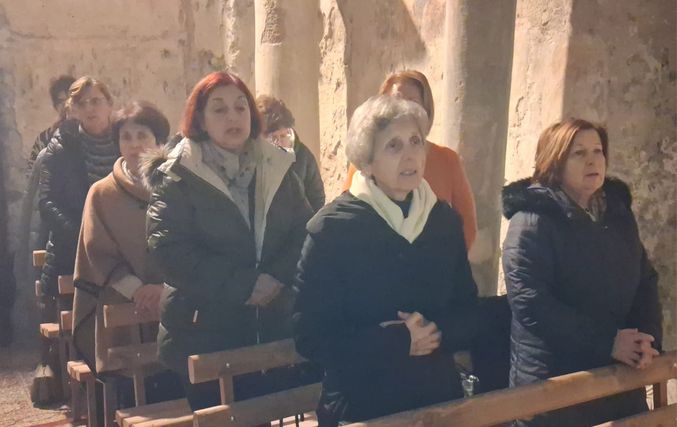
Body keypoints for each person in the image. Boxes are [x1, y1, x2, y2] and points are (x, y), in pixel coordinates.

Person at [294, 95, 478, 425]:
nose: (410, 155)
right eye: (393, 146)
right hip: (362, 403)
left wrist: (436, 332)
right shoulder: (332, 229)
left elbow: (466, 308)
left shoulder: (443, 221)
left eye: (416, 142)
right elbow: (311, 336)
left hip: (436, 399)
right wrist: (398, 341)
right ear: (366, 162)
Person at [144, 71, 313, 411]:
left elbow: (303, 231)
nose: (232, 117)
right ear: (201, 120)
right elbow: (169, 251)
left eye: (240, 107)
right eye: (219, 109)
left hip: (269, 323)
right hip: (203, 330)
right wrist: (246, 285)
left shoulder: (278, 167)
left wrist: (275, 277)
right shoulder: (178, 175)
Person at [501, 118, 662, 426]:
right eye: (579, 153)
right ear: (555, 162)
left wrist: (647, 339)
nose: (592, 160)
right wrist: (608, 342)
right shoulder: (532, 222)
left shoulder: (617, 215)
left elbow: (644, 280)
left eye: (598, 151)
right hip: (555, 390)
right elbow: (531, 304)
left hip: (619, 381)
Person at [72, 101, 170, 374]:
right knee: (130, 380)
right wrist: (137, 290)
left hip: (174, 299)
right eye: (126, 137)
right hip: (122, 301)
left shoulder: (178, 187)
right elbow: (97, 253)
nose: (134, 144)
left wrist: (163, 287)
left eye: (142, 135)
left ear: (158, 140)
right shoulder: (102, 193)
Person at [343, 70, 477, 249]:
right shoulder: (365, 159)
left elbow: (467, 227)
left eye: (412, 102)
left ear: (426, 110)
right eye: (396, 100)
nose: (403, 109)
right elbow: (347, 215)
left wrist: (446, 260)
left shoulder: (447, 160)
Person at [38, 76, 118, 305]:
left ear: (109, 104)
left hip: (123, 252)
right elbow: (47, 203)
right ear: (73, 109)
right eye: (82, 103)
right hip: (73, 254)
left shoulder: (125, 141)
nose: (89, 108)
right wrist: (84, 237)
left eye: (96, 101)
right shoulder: (61, 147)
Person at [256, 95, 325, 212]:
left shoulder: (303, 156)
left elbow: (317, 198)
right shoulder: (250, 158)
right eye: (272, 137)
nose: (278, 143)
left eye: (283, 136)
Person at [27, 75, 76, 172]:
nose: (66, 105)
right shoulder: (44, 138)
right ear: (55, 106)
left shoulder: (90, 132)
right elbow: (32, 173)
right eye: (61, 101)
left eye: (70, 99)